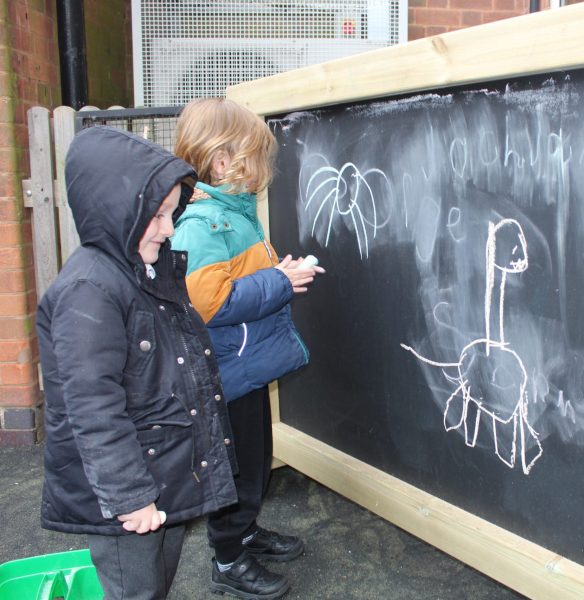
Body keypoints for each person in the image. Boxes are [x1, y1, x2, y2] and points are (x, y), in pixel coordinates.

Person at [37, 126, 239, 600]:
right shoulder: (90, 289)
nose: (169, 228)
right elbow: (91, 406)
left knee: (157, 583)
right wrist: (130, 496)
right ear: (117, 212)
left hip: (161, 475)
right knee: (136, 591)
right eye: (157, 216)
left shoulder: (148, 270)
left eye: (172, 213)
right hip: (128, 494)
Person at [171, 97, 323, 599]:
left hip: (246, 367)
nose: (264, 169)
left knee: (256, 458)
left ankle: (246, 530)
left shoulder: (234, 215)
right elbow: (210, 302)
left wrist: (278, 273)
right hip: (225, 373)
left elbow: (241, 278)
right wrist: (279, 281)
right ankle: (228, 558)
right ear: (222, 162)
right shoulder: (202, 223)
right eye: (256, 157)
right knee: (231, 464)